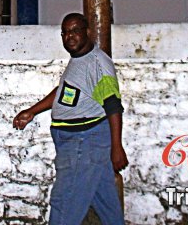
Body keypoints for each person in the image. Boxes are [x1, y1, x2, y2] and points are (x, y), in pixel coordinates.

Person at [13, 12, 129, 225]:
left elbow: (113, 105)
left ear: (87, 32)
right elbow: (65, 92)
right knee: (105, 203)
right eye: (65, 32)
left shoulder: (97, 64)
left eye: (75, 31)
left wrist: (117, 146)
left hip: (83, 143)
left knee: (64, 202)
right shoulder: (79, 61)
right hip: (81, 144)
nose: (70, 37)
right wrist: (32, 111)